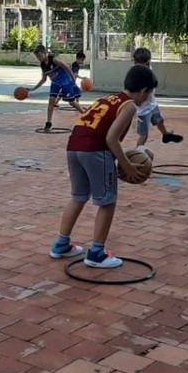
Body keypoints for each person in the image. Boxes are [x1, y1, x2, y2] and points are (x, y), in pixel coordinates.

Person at [48, 64, 157, 268]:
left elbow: (99, 131)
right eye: (149, 94)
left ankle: (61, 244)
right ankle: (96, 253)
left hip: (74, 147)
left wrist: (140, 153)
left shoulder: (106, 98)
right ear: (144, 91)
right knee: (107, 201)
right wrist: (128, 166)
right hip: (96, 150)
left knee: (78, 197)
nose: (148, 99)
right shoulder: (130, 105)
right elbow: (111, 139)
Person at [132, 47, 183, 146]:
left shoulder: (149, 68)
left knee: (159, 120)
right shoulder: (135, 74)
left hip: (152, 104)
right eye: (140, 62)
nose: (143, 65)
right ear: (136, 61)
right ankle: (137, 154)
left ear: (148, 61)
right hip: (141, 110)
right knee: (144, 135)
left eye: (145, 62)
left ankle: (166, 135)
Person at [29, 45, 86, 131]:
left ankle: (85, 115)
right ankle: (48, 123)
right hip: (55, 83)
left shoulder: (54, 60)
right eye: (37, 57)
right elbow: (43, 79)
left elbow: (67, 67)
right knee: (51, 100)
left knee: (72, 102)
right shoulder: (43, 65)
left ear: (45, 53)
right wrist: (33, 88)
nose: (39, 58)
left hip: (65, 81)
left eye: (40, 56)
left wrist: (73, 79)